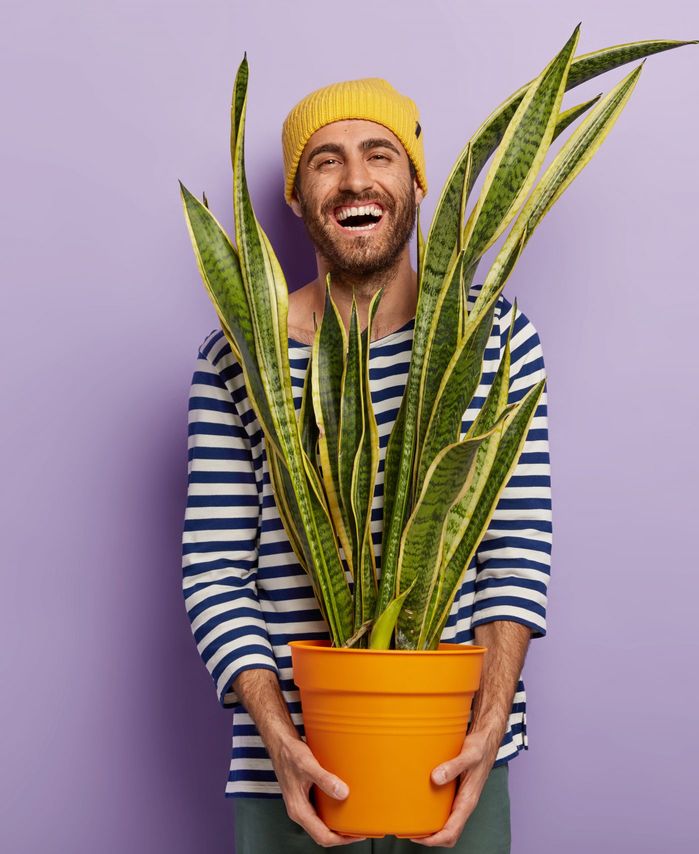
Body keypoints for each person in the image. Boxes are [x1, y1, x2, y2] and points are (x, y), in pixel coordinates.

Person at [181, 77, 553, 852]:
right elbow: (215, 571)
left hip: (456, 766)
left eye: (379, 154)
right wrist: (280, 741)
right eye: (325, 161)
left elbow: (513, 552)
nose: (355, 179)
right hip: (291, 776)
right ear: (296, 197)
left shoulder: (496, 338)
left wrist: (486, 729)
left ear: (415, 179)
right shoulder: (236, 359)